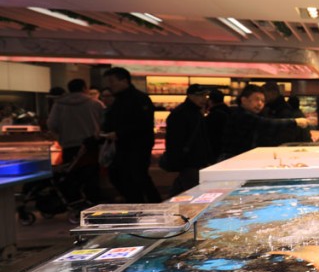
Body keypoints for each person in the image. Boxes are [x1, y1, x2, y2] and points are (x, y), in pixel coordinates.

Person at [100, 67, 162, 203]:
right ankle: (137, 202)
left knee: (137, 176)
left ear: (124, 81)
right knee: (119, 175)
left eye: (112, 81)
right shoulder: (118, 100)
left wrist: (118, 133)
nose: (109, 85)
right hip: (121, 146)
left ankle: (149, 204)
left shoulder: (140, 99)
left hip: (137, 146)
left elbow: (143, 124)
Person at [46, 78, 104, 204]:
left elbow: (51, 124)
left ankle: (75, 203)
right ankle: (93, 203)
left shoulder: (59, 104)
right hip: (91, 147)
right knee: (91, 177)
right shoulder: (95, 103)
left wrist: (60, 135)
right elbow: (105, 123)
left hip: (68, 145)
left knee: (72, 176)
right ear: (85, 88)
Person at [221, 84, 308, 159]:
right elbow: (266, 123)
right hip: (232, 159)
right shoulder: (240, 115)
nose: (260, 104)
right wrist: (295, 122)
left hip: (241, 158)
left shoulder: (252, 114)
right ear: (244, 100)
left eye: (263, 101)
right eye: (256, 99)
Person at [163, 84, 213, 195]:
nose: (204, 99)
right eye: (200, 96)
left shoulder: (196, 112)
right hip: (189, 162)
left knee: (182, 190)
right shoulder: (181, 114)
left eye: (205, 96)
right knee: (193, 192)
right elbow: (174, 140)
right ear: (190, 96)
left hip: (193, 161)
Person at [205, 89, 230, 161]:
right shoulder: (230, 111)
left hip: (216, 152)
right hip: (227, 151)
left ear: (210, 101)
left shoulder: (213, 115)